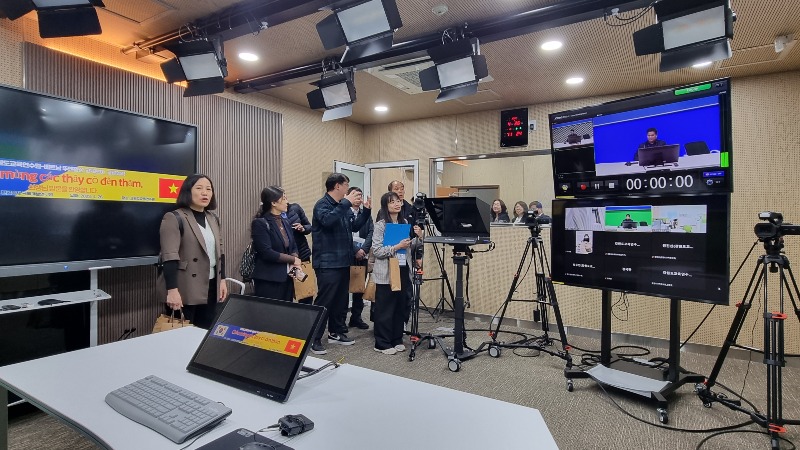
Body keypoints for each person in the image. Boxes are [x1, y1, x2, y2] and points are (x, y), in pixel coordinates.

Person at [310, 173, 371, 355]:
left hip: (343, 261)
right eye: (346, 186)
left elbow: (353, 226)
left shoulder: (341, 207)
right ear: (338, 186)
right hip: (328, 263)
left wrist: (366, 210)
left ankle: (336, 332)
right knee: (325, 301)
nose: (348, 190)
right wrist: (346, 203)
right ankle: (313, 338)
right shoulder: (322, 205)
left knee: (341, 300)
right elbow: (327, 221)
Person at [158, 174, 228, 330]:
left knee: (204, 330)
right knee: (180, 335)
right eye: (199, 188)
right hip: (184, 288)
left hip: (210, 285)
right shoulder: (174, 217)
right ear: (188, 191)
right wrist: (172, 290)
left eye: (209, 189)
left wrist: (222, 279)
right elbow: (169, 257)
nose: (205, 193)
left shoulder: (213, 218)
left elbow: (220, 252)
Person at [370, 191, 423, 355]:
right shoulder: (380, 225)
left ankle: (396, 338)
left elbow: (408, 247)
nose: (397, 204)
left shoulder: (404, 222)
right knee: (385, 307)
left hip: (403, 268)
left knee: (400, 306)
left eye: (398, 201)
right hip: (387, 269)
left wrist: (419, 238)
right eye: (392, 202)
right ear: (386, 206)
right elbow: (377, 250)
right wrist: (396, 247)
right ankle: (382, 343)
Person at [250, 186, 302, 302]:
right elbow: (266, 252)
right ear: (273, 202)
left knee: (285, 315)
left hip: (287, 277)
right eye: (283, 199)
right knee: (269, 316)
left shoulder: (285, 221)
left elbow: (293, 245)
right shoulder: (260, 223)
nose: (287, 202)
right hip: (268, 279)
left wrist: (295, 258)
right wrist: (293, 260)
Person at [347, 186, 373, 330]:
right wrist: (355, 249)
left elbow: (371, 232)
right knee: (344, 289)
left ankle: (356, 317)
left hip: (362, 255)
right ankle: (340, 320)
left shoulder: (365, 214)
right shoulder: (343, 212)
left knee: (359, 289)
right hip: (347, 255)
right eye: (355, 195)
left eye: (360, 195)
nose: (358, 198)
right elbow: (344, 235)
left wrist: (363, 249)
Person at [285, 201, 313, 303]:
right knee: (287, 292)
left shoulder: (295, 208)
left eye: (285, 196)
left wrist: (303, 228)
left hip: (302, 257)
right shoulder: (271, 215)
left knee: (305, 291)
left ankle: (306, 317)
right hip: (285, 259)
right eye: (283, 197)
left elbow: (309, 227)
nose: (285, 200)